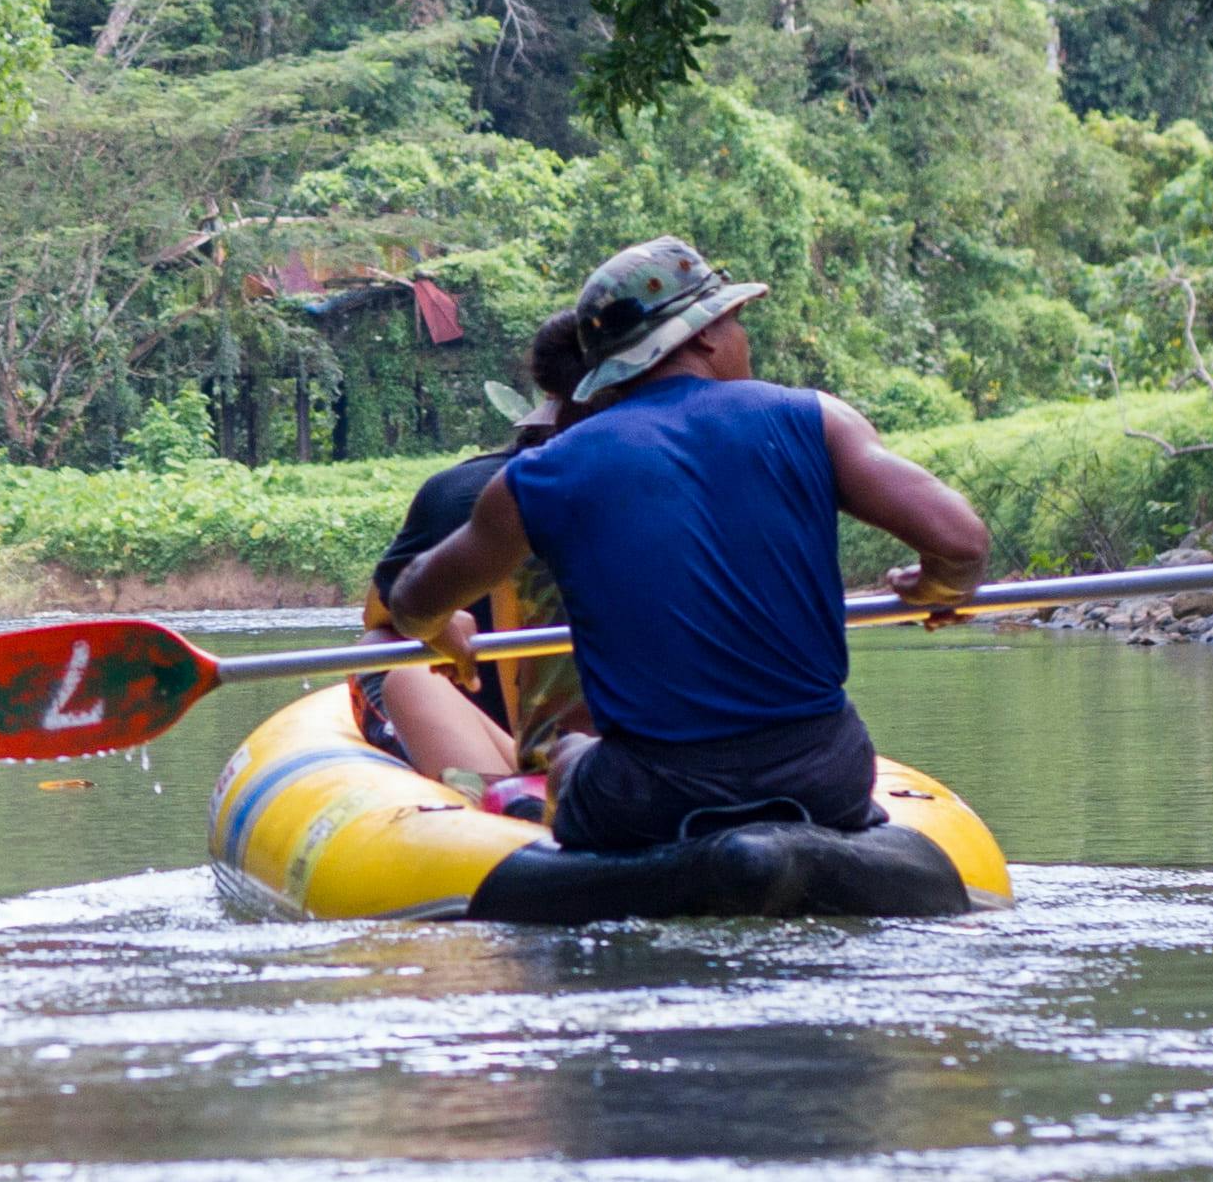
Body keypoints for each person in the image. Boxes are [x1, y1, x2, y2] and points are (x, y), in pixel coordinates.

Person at [377, 235, 990, 863]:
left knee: (569, 756)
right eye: (736, 321)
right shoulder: (817, 419)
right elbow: (961, 542)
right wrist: (937, 589)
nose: (742, 338)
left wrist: (440, 627)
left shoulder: (543, 474)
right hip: (826, 780)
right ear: (702, 335)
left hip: (649, 797)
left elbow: (415, 595)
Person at [347, 314, 594, 798]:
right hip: (504, 725)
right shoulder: (484, 497)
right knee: (396, 667)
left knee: (385, 651)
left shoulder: (468, 490)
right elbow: (385, 615)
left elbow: (378, 617)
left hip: (566, 742)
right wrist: (438, 625)